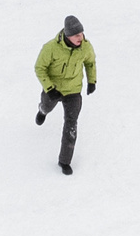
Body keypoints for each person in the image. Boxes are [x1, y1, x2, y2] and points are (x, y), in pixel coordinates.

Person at [33, 16, 97, 175]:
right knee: (47, 106)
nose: (80, 38)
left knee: (71, 125)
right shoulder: (50, 48)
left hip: (73, 91)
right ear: (67, 35)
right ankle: (42, 111)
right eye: (76, 35)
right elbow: (39, 68)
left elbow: (90, 62)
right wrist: (49, 88)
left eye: (82, 34)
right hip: (53, 90)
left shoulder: (86, 47)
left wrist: (92, 81)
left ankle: (64, 161)